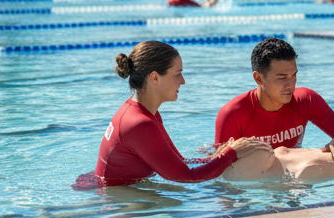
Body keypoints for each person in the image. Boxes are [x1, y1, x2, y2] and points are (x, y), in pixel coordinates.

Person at [95, 40, 264, 187]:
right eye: (178, 74)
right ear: (155, 78)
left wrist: (224, 152)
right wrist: (231, 154)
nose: (183, 81)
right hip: (116, 203)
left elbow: (181, 163)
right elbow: (186, 177)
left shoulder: (145, 113)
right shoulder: (140, 123)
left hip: (121, 192)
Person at [214, 38, 334, 164]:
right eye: (282, 78)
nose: (291, 84)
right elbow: (218, 166)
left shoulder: (306, 100)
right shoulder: (233, 114)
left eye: (294, 75)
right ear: (258, 78)